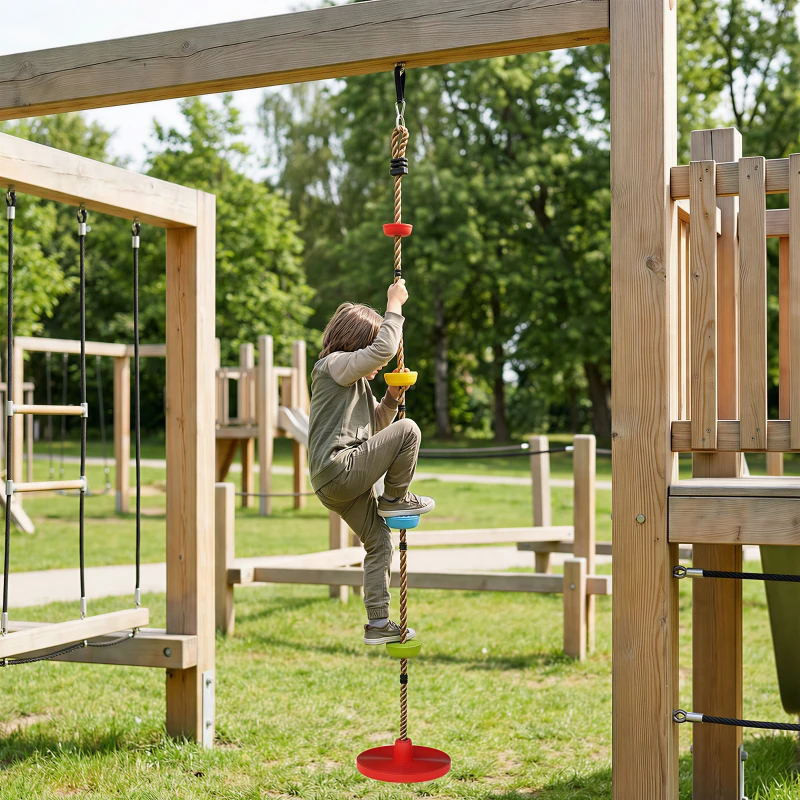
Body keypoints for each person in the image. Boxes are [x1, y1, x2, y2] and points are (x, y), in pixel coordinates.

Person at [309, 279, 435, 645]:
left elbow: (374, 430)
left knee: (379, 540)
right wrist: (394, 304)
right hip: (340, 468)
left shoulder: (353, 384)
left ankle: (378, 622)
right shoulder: (333, 366)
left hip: (335, 482)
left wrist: (391, 399)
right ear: (355, 344)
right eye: (371, 348)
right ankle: (395, 499)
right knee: (409, 430)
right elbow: (385, 349)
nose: (379, 364)